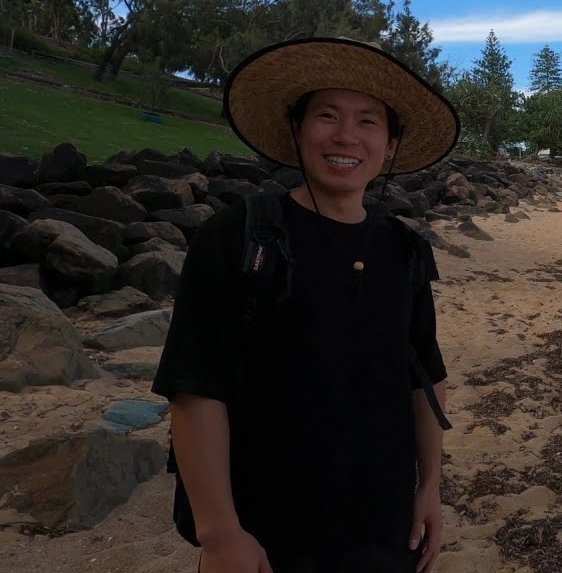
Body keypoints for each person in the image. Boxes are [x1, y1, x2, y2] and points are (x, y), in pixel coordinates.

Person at [151, 37, 461, 573]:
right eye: (327, 115)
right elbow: (195, 384)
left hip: (382, 524)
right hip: (265, 530)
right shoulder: (239, 236)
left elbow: (423, 375)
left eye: (368, 121)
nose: (346, 136)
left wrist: (430, 486)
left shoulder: (404, 249)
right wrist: (220, 532)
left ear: (389, 147)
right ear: (297, 131)